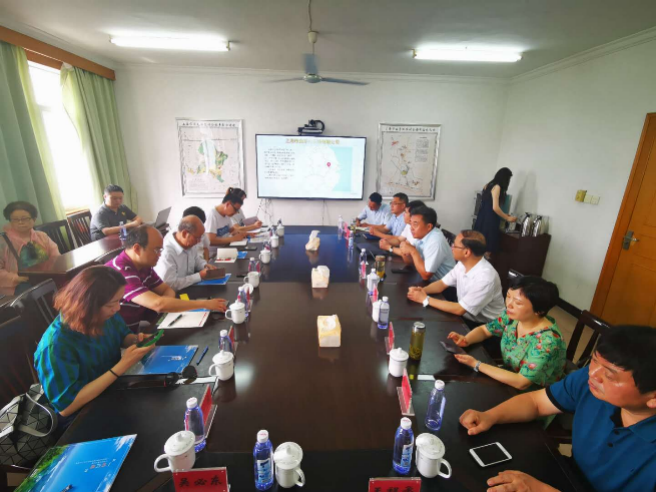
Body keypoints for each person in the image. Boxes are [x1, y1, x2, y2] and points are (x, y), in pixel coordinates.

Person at [459, 325, 656, 492]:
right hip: (569, 475)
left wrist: (542, 490)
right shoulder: (589, 383)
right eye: (594, 361)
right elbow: (536, 402)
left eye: (610, 375)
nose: (593, 374)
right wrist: (490, 416)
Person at [34, 266, 155, 417]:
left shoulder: (102, 316)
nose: (117, 308)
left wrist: (136, 340)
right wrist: (122, 365)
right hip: (85, 414)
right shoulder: (55, 346)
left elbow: (123, 335)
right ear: (87, 306)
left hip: (114, 392)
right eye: (111, 304)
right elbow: (66, 406)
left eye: (119, 301)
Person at [448, 275, 565, 391]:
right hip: (507, 376)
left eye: (518, 303)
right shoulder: (512, 316)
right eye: (508, 296)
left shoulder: (548, 340)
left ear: (539, 311)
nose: (509, 304)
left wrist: (476, 364)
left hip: (536, 394)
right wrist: (466, 339)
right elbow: (485, 330)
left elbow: (521, 382)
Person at [106, 225, 227, 332]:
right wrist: (205, 304)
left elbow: (167, 290)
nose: (160, 254)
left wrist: (164, 305)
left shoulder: (144, 265)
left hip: (136, 330)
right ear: (137, 249)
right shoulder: (121, 271)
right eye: (156, 250)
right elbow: (158, 304)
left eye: (160, 249)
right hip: (121, 340)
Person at [407, 230, 504, 325]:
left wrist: (425, 299)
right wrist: (422, 290)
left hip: (487, 326)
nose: (451, 248)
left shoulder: (485, 278)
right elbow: (442, 284)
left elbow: (459, 309)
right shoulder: (462, 264)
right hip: (466, 316)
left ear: (466, 252)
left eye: (455, 246)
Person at [1, 201, 60, 296]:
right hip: (18, 284)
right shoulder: (3, 242)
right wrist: (16, 278)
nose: (20, 222)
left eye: (24, 219)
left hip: (45, 277)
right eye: (15, 219)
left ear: (34, 219)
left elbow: (56, 257)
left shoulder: (42, 236)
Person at [155, 216, 219, 291]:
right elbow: (169, 284)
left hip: (190, 288)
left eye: (201, 237)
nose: (199, 241)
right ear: (184, 234)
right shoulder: (166, 253)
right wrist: (199, 276)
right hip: (175, 293)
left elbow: (196, 260)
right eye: (197, 238)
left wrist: (205, 265)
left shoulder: (190, 243)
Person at [399, 206, 455, 281]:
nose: (411, 228)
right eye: (411, 223)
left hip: (445, 286)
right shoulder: (422, 235)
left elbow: (426, 275)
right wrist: (404, 251)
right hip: (430, 281)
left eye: (415, 224)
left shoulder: (436, 241)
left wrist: (413, 251)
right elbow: (410, 262)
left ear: (429, 226)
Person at [473, 168, 517, 255]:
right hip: (490, 220)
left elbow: (488, 204)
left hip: (482, 217)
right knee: (487, 249)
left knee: (478, 246)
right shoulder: (497, 187)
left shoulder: (487, 185)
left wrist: (504, 214)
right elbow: (495, 207)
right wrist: (507, 218)